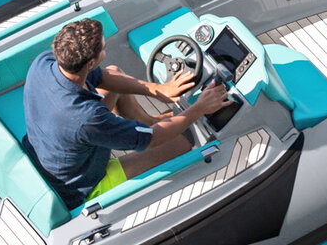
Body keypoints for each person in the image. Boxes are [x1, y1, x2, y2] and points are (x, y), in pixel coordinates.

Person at [21, 18, 229, 210]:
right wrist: (199, 108)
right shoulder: (87, 117)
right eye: (103, 48)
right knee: (182, 142)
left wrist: (158, 90)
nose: (105, 50)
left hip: (46, 154)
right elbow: (154, 139)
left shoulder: (44, 63)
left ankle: (148, 121)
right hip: (77, 187)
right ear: (90, 63)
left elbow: (103, 76)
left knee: (114, 71)